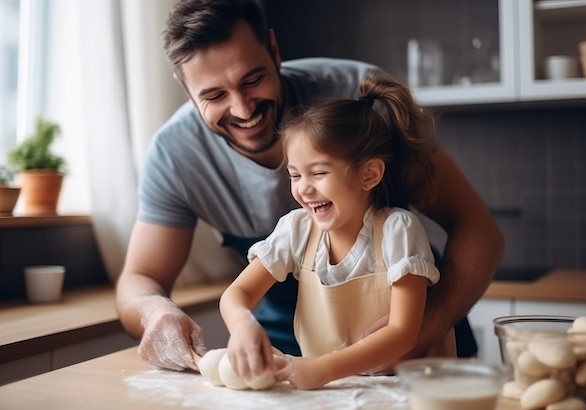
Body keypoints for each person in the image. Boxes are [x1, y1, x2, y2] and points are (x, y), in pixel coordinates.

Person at [115, 0, 504, 373]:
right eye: (214, 95)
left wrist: (425, 326)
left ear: (274, 49)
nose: (243, 109)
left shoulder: (359, 97)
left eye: (253, 80)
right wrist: (157, 313)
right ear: (186, 89)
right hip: (298, 346)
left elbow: (477, 229)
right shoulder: (174, 155)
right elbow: (140, 277)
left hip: (420, 338)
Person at [220, 70, 457, 390]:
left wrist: (322, 369)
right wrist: (243, 324)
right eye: (295, 175)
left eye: (318, 173)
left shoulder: (398, 232)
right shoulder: (297, 230)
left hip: (409, 392)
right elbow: (237, 294)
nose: (304, 189)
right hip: (335, 393)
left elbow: (403, 333)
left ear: (369, 174)